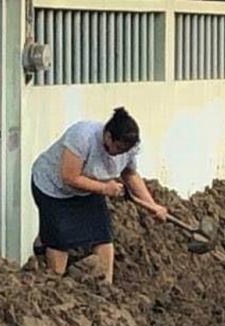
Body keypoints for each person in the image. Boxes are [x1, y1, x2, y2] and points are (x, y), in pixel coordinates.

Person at [31, 107, 168, 283]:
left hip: (89, 186)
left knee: (102, 234)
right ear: (108, 136)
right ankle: (55, 283)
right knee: (60, 239)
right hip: (54, 187)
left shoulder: (128, 148)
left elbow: (130, 174)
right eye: (118, 148)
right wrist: (104, 189)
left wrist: (152, 206)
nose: (120, 153)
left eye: (125, 150)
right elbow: (69, 177)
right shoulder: (82, 136)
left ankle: (105, 286)